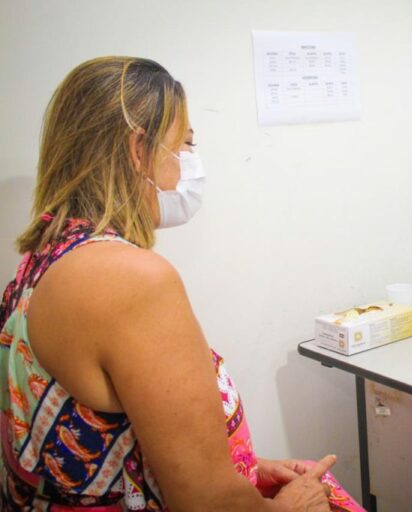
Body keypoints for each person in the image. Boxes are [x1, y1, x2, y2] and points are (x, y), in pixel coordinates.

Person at [0, 57, 364, 511]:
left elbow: (121, 440)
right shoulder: (129, 279)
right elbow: (206, 504)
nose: (187, 168)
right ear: (138, 150)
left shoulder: (42, 260)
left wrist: (242, 466)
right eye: (183, 147)